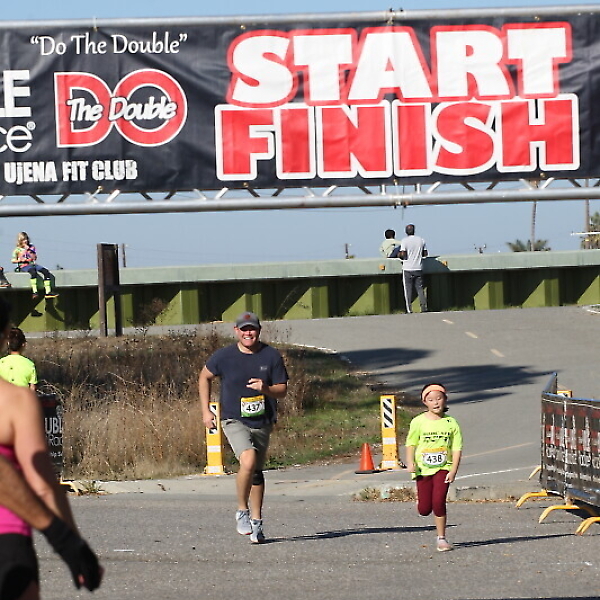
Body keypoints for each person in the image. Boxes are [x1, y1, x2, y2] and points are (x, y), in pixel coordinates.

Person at [0, 297, 102, 598]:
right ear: (5, 333)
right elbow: (44, 485)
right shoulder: (16, 402)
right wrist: (72, 545)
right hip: (7, 539)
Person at [199, 311, 288, 544]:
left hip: (262, 421)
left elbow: (282, 390)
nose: (248, 333)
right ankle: (242, 510)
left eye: (252, 329)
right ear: (236, 331)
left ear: (259, 331)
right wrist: (206, 411)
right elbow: (204, 377)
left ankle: (257, 522)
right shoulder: (224, 356)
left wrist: (265, 388)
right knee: (247, 460)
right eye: (244, 329)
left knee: (256, 471)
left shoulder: (271, 356)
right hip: (233, 419)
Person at [405, 383, 463, 552]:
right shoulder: (418, 422)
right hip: (423, 469)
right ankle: (423, 502)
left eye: (439, 398)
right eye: (431, 400)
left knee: (438, 502)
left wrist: (453, 470)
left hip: (443, 468)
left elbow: (457, 448)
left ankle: (441, 538)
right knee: (424, 509)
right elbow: (411, 443)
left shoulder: (451, 423)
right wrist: (410, 461)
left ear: (445, 400)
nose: (436, 402)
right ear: (425, 402)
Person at [11, 232, 58, 299]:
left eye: (26, 239)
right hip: (24, 265)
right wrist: (21, 260)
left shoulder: (32, 247)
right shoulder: (17, 249)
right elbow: (13, 260)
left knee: (45, 271)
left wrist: (29, 250)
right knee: (33, 272)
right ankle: (35, 291)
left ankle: (48, 291)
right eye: (23, 240)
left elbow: (34, 257)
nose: (25, 241)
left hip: (32, 264)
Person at [398, 224, 428, 313]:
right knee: (420, 288)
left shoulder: (404, 241)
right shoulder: (421, 240)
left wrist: (399, 255)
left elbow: (403, 254)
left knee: (408, 289)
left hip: (407, 268)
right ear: (414, 230)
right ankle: (423, 307)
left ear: (406, 231)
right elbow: (425, 254)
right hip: (418, 267)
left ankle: (409, 309)